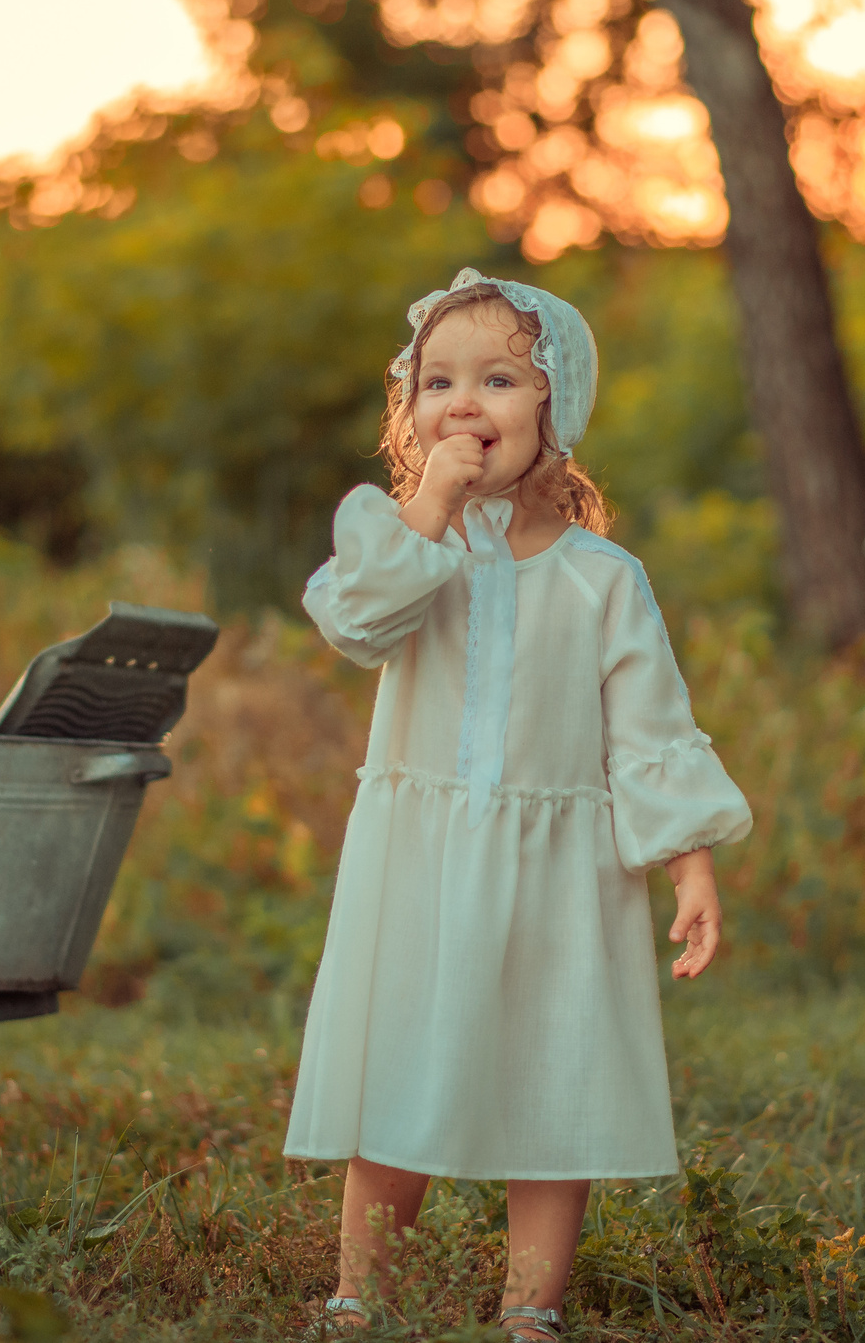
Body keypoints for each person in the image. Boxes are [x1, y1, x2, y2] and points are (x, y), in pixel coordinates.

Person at [288, 270, 753, 1340]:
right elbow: (354, 622)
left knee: (556, 1071)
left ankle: (529, 1308)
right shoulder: (405, 547)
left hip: (560, 864)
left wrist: (687, 859)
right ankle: (360, 1291)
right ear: (408, 411)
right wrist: (428, 507)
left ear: (556, 408)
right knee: (396, 1063)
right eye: (436, 380)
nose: (463, 402)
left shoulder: (602, 576)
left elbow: (649, 722)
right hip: (421, 856)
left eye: (498, 378)